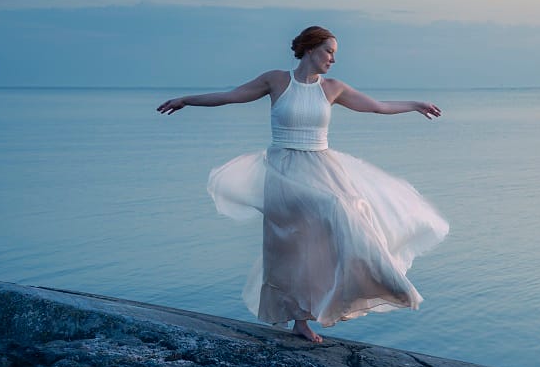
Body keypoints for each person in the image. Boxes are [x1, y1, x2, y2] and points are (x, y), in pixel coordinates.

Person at [156, 26, 449, 343]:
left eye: (334, 53)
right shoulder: (277, 81)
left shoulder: (332, 88)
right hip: (283, 172)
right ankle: (300, 319)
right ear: (310, 49)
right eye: (329, 51)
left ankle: (380, 283)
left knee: (347, 212)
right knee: (290, 251)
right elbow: (230, 96)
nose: (333, 59)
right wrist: (187, 99)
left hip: (322, 168)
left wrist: (415, 104)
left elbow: (377, 106)